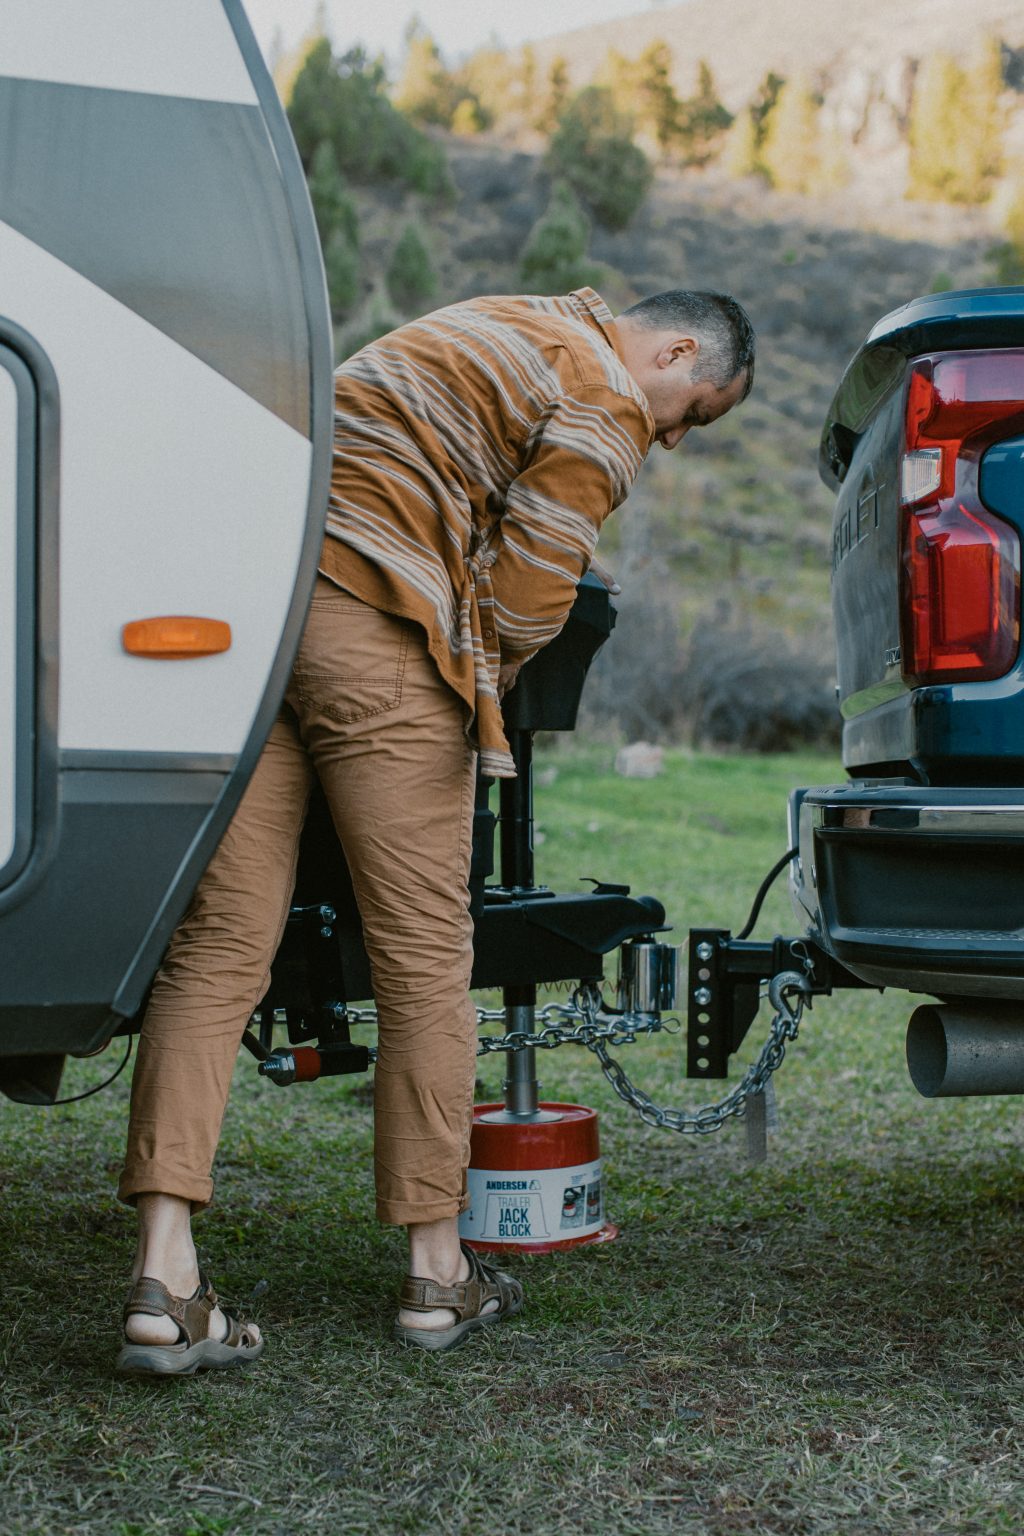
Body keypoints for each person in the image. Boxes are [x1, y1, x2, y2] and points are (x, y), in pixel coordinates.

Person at [114, 286, 754, 1374]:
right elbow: (522, 603)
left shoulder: (505, 319)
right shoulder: (602, 393)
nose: (677, 439)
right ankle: (436, 1272)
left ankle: (163, 1278)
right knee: (422, 956)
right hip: (377, 627)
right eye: (694, 411)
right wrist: (481, 648)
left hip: (258, 613)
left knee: (220, 951)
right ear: (677, 348)